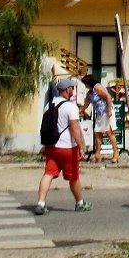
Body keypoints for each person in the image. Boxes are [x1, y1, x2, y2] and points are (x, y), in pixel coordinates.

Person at [34, 77, 92, 215]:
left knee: (48, 173)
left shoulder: (49, 105)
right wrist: (81, 146)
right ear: (67, 90)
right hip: (67, 147)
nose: (73, 90)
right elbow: (75, 129)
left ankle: (41, 203)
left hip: (51, 146)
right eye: (72, 88)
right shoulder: (70, 107)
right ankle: (79, 203)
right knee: (73, 177)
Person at [81, 73, 116, 163]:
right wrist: (79, 111)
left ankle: (116, 153)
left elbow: (108, 97)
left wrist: (109, 110)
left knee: (109, 133)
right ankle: (98, 154)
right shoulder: (90, 92)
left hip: (106, 112)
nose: (85, 86)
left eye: (86, 84)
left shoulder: (97, 88)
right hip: (99, 114)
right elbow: (86, 104)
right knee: (97, 133)